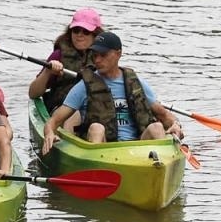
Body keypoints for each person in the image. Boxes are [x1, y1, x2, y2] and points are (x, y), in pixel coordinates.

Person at [39, 31, 183, 155]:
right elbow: (54, 121)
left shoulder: (135, 82)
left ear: (118, 53)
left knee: (157, 127)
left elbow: (164, 115)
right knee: (97, 128)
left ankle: (159, 170)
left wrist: (175, 125)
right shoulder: (84, 86)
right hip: (105, 150)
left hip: (139, 150)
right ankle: (97, 171)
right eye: (95, 55)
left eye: (103, 55)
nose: (98, 60)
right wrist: (49, 133)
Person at [27, 7, 105, 113]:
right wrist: (47, 71)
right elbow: (33, 93)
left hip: (93, 108)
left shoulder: (104, 57)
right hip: (63, 108)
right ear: (70, 32)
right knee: (74, 113)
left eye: (86, 31)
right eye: (76, 30)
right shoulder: (58, 55)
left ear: (95, 35)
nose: (79, 35)